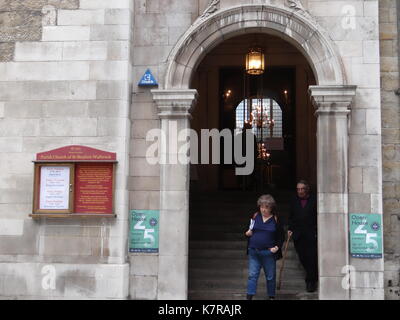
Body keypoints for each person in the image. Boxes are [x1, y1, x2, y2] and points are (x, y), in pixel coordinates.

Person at [245, 194, 285, 300]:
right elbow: (249, 229)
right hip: (254, 251)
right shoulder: (255, 216)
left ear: (271, 208)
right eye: (262, 207)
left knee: (270, 276)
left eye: (266, 207)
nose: (263, 209)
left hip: (268, 253)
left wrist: (277, 247)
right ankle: (249, 296)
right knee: (252, 275)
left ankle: (271, 296)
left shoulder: (275, 219)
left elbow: (281, 236)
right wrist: (248, 233)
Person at [287, 180, 318, 292]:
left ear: (307, 189)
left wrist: (317, 230)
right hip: (298, 234)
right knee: (302, 257)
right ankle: (313, 274)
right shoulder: (294, 200)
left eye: (302, 189)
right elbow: (291, 216)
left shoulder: (314, 200)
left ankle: (310, 281)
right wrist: (290, 228)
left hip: (310, 233)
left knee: (311, 257)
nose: (300, 191)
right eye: (298, 189)